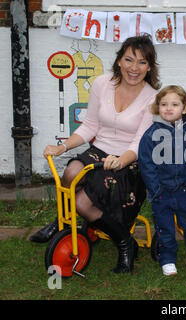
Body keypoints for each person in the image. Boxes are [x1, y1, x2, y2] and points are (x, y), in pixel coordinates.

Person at [31, 36, 161, 274]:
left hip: (128, 162)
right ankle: (62, 222)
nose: (134, 68)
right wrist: (62, 147)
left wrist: (121, 160)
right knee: (71, 171)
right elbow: (89, 126)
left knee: (82, 202)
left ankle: (125, 244)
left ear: (150, 67)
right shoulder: (102, 83)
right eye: (129, 60)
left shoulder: (152, 98)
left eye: (142, 62)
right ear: (119, 61)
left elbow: (139, 142)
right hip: (99, 151)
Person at [138, 85, 186, 276]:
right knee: (165, 228)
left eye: (174, 104)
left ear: (184, 108)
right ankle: (167, 259)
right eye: (164, 104)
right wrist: (155, 189)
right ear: (158, 108)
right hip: (161, 192)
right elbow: (146, 164)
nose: (168, 108)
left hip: (184, 191)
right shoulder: (151, 135)